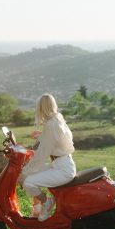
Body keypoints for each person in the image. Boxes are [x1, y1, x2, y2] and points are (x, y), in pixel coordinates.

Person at [19, 93, 76, 221]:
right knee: (29, 176)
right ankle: (37, 210)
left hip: (62, 169)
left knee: (28, 181)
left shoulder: (51, 124)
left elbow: (42, 154)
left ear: (41, 108)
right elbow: (58, 139)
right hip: (61, 164)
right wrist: (41, 136)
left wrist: (24, 172)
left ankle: (47, 202)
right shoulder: (58, 118)